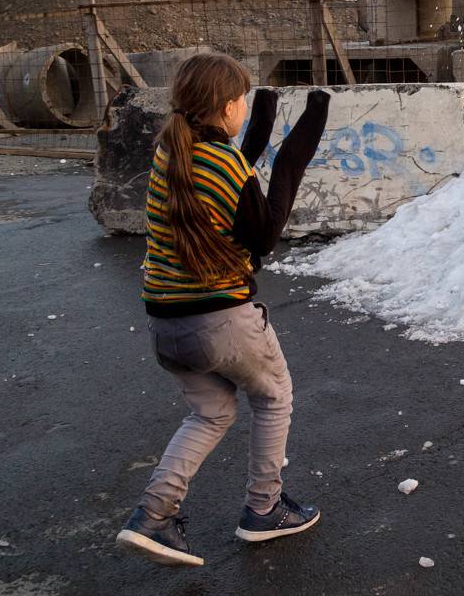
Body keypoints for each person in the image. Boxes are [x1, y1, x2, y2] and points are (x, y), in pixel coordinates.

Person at [115, 53, 329, 568]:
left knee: (211, 412)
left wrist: (267, 111)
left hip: (166, 323)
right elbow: (263, 233)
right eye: (245, 101)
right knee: (274, 397)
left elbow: (234, 175)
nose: (245, 109)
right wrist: (309, 129)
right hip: (221, 321)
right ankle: (264, 509)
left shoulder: (171, 151)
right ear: (229, 106)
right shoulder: (225, 164)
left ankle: (153, 517)